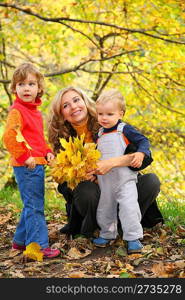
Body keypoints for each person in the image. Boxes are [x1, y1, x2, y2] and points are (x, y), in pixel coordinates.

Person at [47, 86, 164, 243]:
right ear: (62, 115)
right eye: (65, 105)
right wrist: (82, 176)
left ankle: (127, 224)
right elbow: (63, 185)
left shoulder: (109, 121)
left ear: (84, 102)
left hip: (121, 182)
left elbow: (145, 156)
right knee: (86, 191)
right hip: (94, 197)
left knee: (151, 181)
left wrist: (112, 163)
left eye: (76, 100)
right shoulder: (63, 140)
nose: (73, 106)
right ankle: (98, 228)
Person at [3, 63, 60, 258]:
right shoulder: (17, 111)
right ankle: (38, 247)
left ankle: (20, 242)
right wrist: (25, 157)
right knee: (35, 206)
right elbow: (9, 137)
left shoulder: (35, 112)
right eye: (21, 84)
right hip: (26, 165)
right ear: (14, 88)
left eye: (31, 84)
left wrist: (47, 152)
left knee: (31, 204)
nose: (26, 88)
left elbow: (37, 140)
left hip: (37, 162)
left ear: (39, 88)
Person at [93, 89, 153, 253]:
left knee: (129, 207)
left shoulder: (124, 129)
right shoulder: (98, 135)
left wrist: (141, 153)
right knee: (105, 207)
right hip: (105, 181)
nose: (104, 118)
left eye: (109, 114)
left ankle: (133, 237)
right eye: (100, 114)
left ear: (121, 113)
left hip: (125, 180)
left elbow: (144, 141)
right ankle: (107, 234)